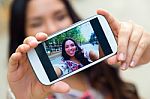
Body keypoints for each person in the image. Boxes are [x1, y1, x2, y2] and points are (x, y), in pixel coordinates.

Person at [8, 0, 150, 99]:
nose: (52, 29)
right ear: (22, 32)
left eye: (60, 16)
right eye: (36, 23)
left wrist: (142, 52)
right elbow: (58, 69)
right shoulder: (33, 89)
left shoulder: (98, 65)